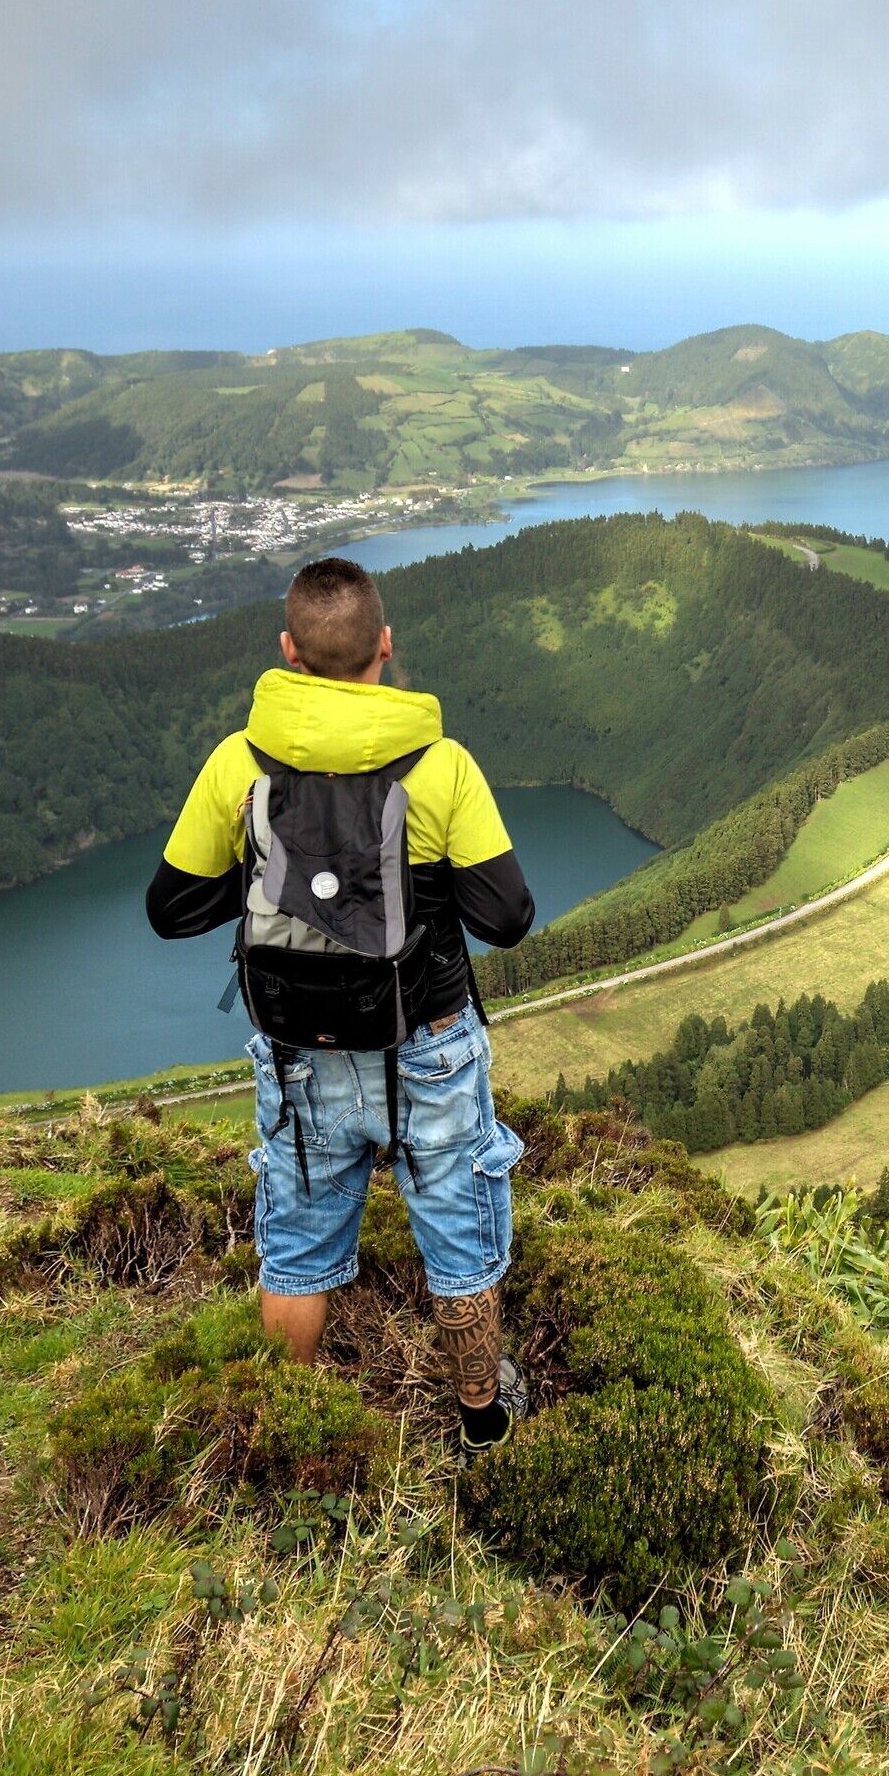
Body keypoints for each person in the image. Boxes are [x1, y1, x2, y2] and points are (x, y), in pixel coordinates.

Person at [145, 558, 538, 1443]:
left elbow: (170, 908)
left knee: (297, 1242)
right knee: (457, 1231)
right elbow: (508, 916)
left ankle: (293, 1425)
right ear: (386, 648)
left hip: (296, 1048)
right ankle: (483, 1419)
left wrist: (272, 878)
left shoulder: (236, 766)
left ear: (288, 652)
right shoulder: (441, 767)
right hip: (426, 1042)